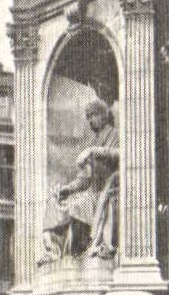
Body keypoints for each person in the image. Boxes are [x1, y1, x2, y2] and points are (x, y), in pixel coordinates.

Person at [41, 98, 119, 260]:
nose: (90, 120)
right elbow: (84, 178)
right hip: (93, 191)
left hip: (109, 189)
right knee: (58, 204)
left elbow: (121, 154)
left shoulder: (115, 134)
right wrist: (68, 189)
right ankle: (56, 251)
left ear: (103, 115)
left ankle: (83, 249)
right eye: (88, 117)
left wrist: (94, 151)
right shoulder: (93, 141)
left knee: (78, 207)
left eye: (93, 115)